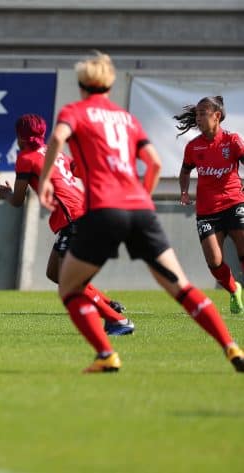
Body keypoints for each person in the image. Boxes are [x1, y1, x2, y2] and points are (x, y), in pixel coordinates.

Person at [36, 51, 244, 373]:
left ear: (82, 85)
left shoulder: (75, 111)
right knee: (182, 288)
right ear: (109, 84)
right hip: (140, 209)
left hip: (105, 209)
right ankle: (231, 347)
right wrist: (140, 199)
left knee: (68, 286)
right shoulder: (126, 118)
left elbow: (56, 140)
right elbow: (155, 163)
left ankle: (106, 354)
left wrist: (47, 178)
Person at [0, 113, 134, 336]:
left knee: (69, 283)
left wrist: (6, 194)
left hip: (75, 219)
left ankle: (117, 321)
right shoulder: (56, 153)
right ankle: (108, 304)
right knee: (55, 274)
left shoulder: (26, 158)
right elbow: (79, 170)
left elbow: (17, 201)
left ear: (20, 137)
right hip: (82, 215)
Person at [175, 96, 244, 314]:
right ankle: (234, 289)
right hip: (207, 211)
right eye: (197, 114)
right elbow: (185, 171)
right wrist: (184, 192)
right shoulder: (193, 147)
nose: (198, 118)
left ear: (217, 116)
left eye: (203, 113)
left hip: (234, 203)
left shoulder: (233, 141)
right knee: (214, 262)